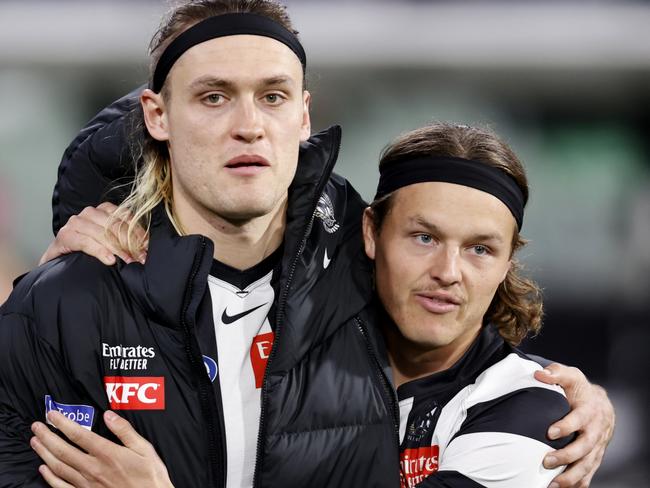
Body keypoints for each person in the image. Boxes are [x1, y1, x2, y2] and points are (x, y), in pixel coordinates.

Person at [2, 1, 612, 487]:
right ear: (156, 117)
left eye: (272, 96)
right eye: (214, 96)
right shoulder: (64, 301)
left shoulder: (355, 262)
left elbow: (466, 357)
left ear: (302, 116)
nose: (249, 124)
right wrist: (81, 213)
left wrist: (558, 391)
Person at [361, 123, 576, 486]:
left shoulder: (528, 404)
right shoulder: (295, 363)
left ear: (507, 263)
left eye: (480, 249)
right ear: (372, 233)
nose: (448, 272)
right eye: (425, 238)